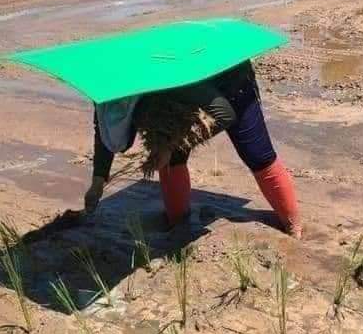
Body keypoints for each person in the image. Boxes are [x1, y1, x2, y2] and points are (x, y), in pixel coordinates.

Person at [84, 60, 301, 238]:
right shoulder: (107, 92)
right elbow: (103, 130)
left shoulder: (170, 81)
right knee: (168, 157)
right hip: (179, 93)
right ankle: (177, 224)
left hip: (230, 81)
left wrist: (172, 145)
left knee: (258, 156)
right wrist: (98, 180)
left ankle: (293, 227)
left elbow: (225, 114)